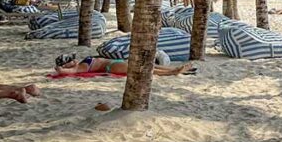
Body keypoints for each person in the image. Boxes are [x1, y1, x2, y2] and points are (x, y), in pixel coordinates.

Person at [53, 54, 195, 76]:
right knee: (142, 70)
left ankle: (174, 69)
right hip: (112, 67)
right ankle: (171, 73)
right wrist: (61, 69)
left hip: (115, 62)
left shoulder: (81, 63)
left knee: (148, 64)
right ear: (67, 65)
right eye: (69, 61)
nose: (73, 60)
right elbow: (66, 72)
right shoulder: (80, 67)